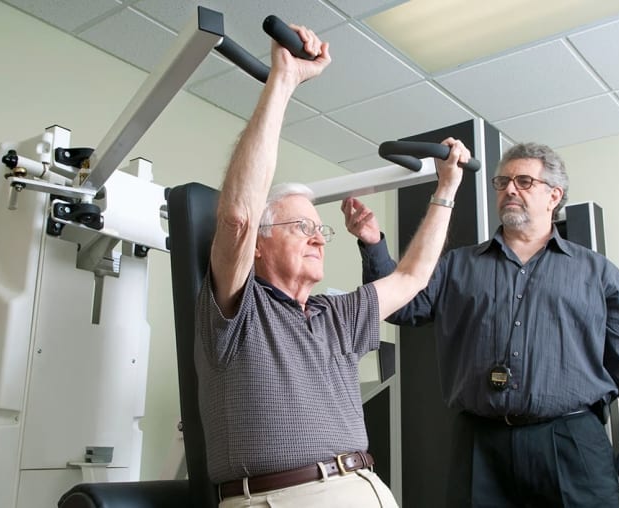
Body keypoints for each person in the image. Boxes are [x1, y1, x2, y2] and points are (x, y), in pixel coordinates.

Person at [195, 23, 472, 507]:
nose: (319, 239)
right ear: (258, 246)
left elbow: (412, 277)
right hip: (286, 496)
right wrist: (283, 80)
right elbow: (238, 215)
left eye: (320, 231)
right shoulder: (237, 309)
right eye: (302, 228)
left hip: (369, 488)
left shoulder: (336, 314)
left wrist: (446, 190)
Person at [343, 141, 619, 507]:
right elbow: (402, 308)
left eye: (523, 181)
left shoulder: (598, 274)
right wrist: (373, 244)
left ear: (554, 195)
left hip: (570, 440)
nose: (509, 190)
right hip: (480, 444)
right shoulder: (457, 266)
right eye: (502, 182)